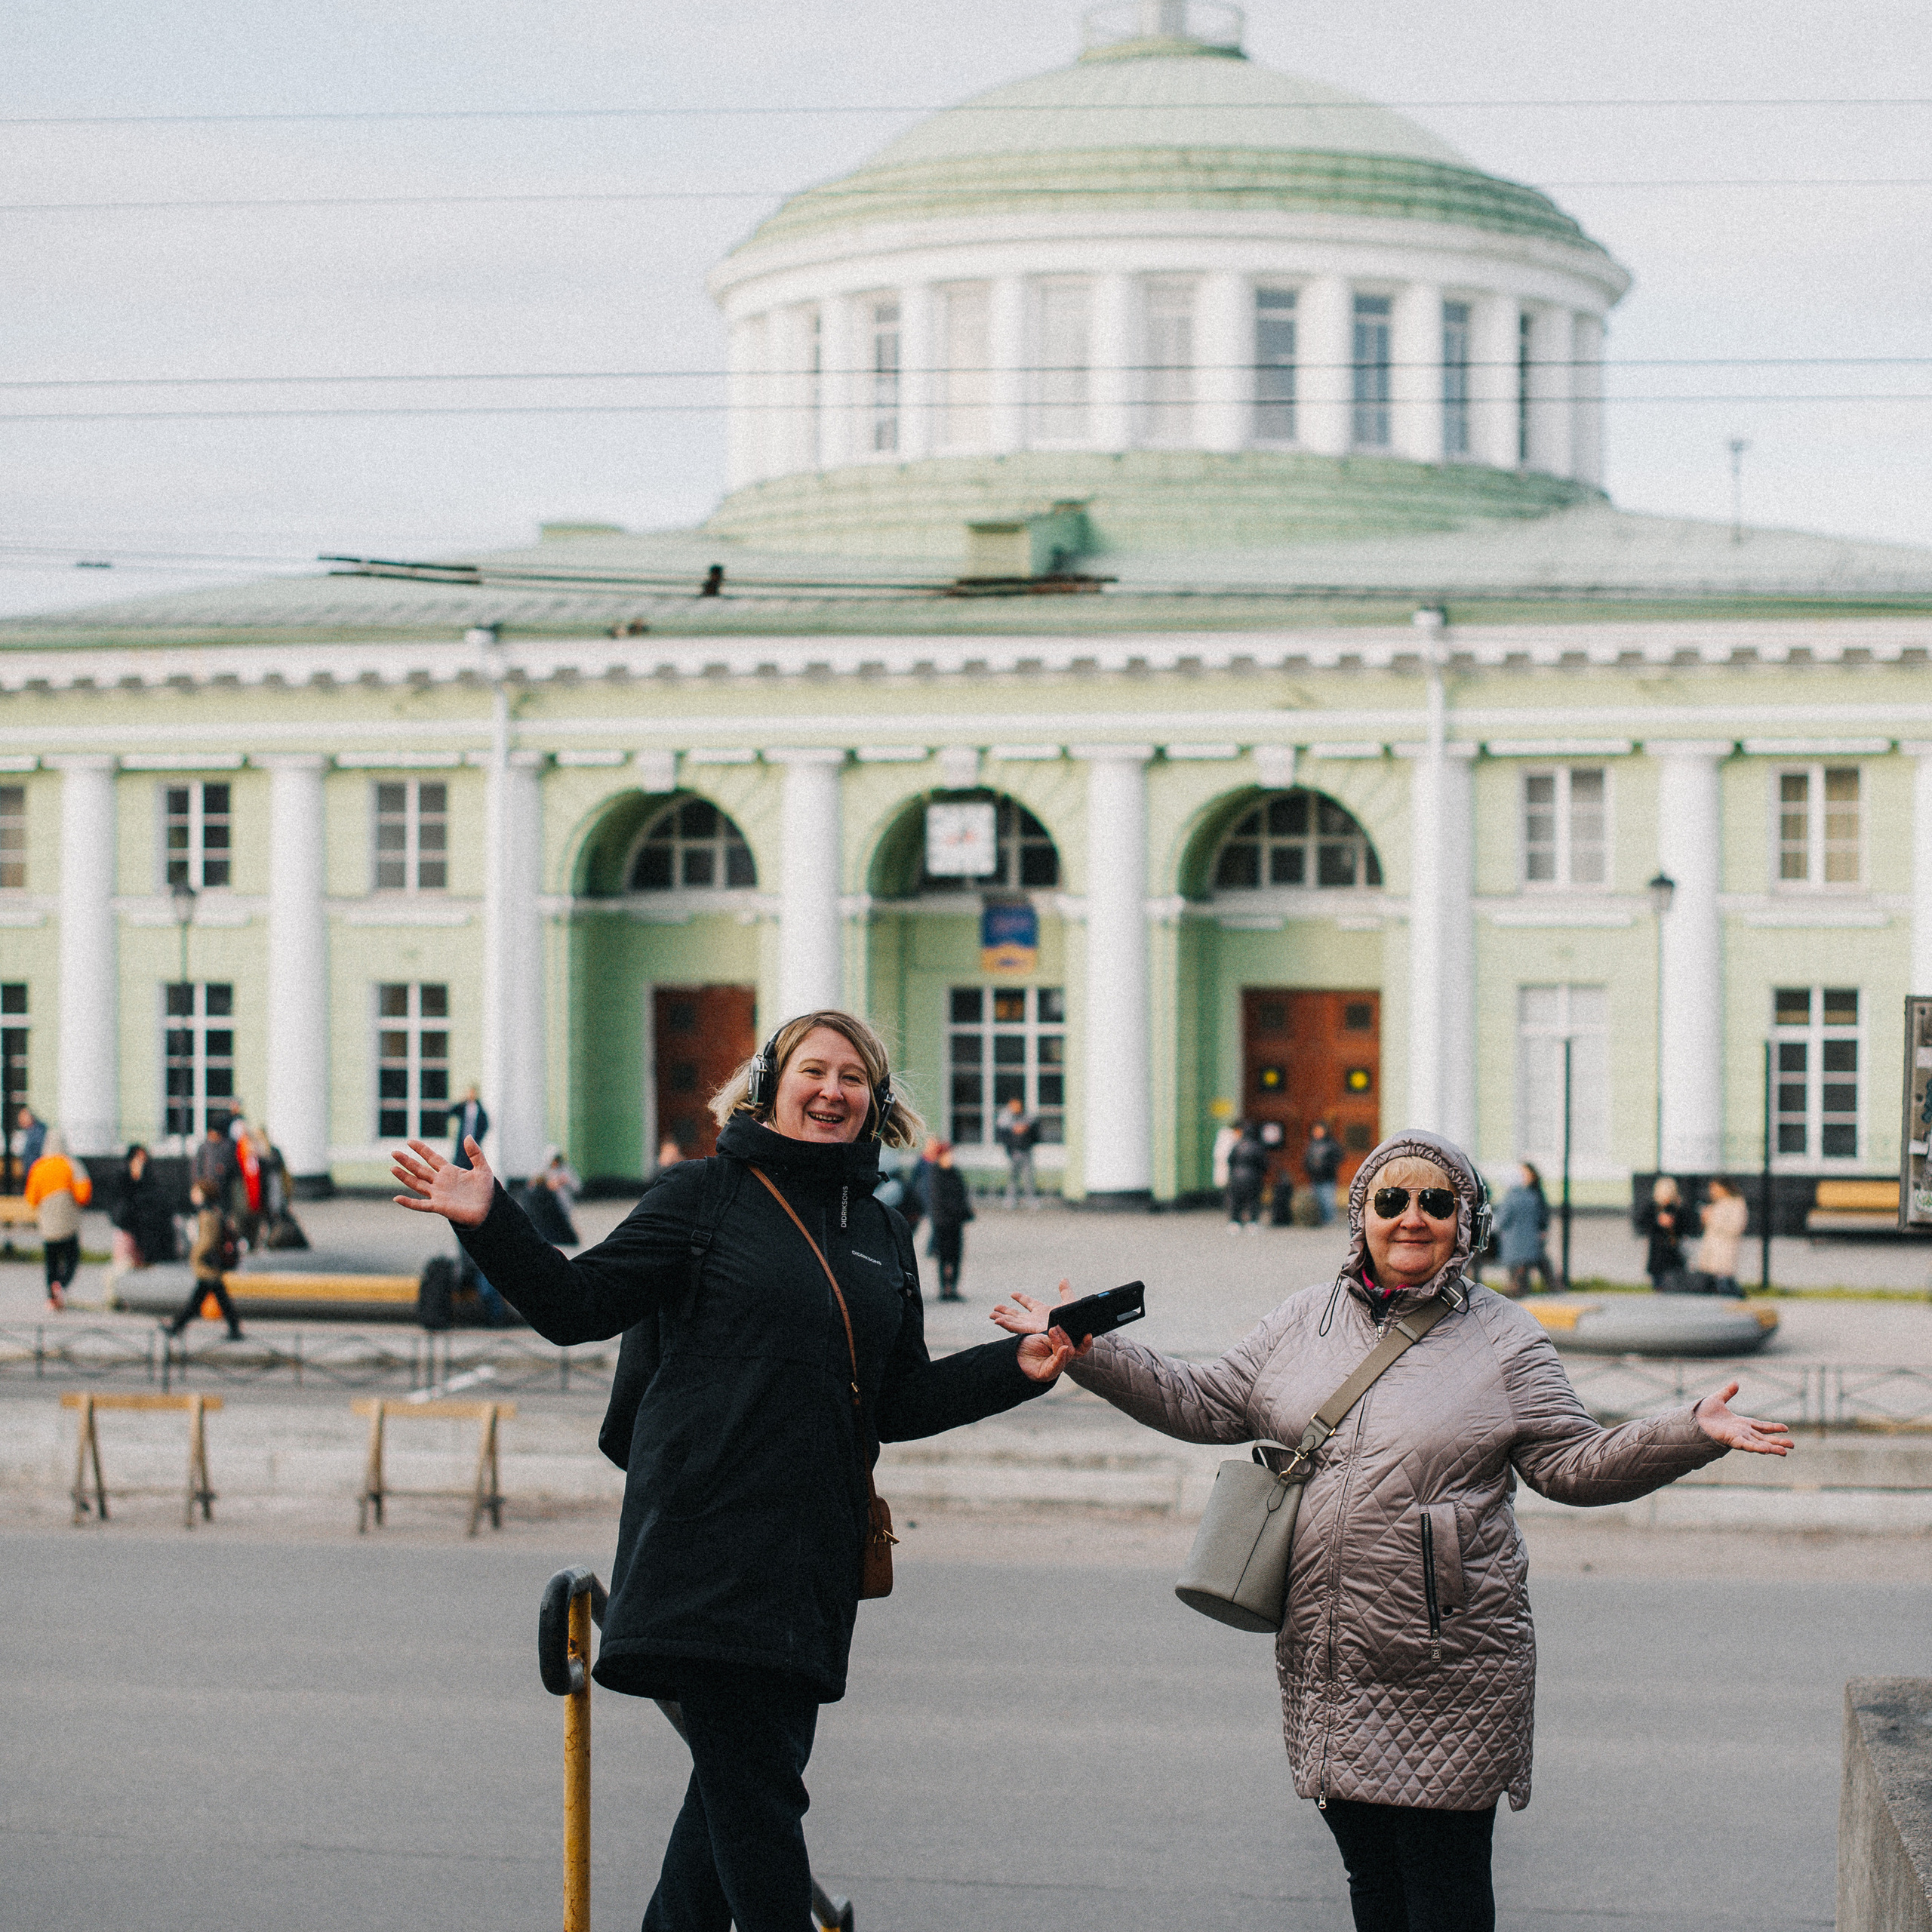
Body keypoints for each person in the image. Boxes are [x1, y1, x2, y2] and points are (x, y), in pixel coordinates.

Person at [991, 1128, 1792, 1932]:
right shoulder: (1303, 1319)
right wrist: (1089, 1352)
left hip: (1451, 1664)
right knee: (1371, 1880)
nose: (1413, 1218)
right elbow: (1204, 1400)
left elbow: (1572, 1464)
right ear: (1361, 1215)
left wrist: (1689, 1430)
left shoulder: (1503, 1337)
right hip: (1331, 1661)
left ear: (1466, 1221)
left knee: (1442, 1894)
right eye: (1392, 1200)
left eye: (1437, 1202)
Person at [390, 1008, 1077, 1932]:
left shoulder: (881, 1230)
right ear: (769, 1084)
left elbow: (897, 1401)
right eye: (813, 1071)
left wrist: (1016, 1369)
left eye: (853, 1078)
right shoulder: (700, 1197)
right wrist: (491, 1221)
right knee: (758, 1802)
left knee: (728, 1803)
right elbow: (575, 1303)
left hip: (810, 1562)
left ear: (875, 1103)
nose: (832, 1090)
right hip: (702, 1549)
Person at [165, 1182, 245, 1340]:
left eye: (196, 1191)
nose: (192, 1195)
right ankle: (177, 1326)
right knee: (211, 1299)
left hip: (208, 1264)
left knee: (201, 1301)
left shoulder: (206, 1214)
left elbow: (207, 1240)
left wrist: (195, 1255)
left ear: (203, 1194)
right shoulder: (214, 1211)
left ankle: (177, 1327)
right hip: (212, 1264)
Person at [25, 1130, 91, 1311]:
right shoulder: (72, 1165)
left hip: (48, 1225)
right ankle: (61, 1285)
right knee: (72, 1258)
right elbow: (83, 1194)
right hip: (69, 1223)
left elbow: (31, 1198)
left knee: (51, 1261)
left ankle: (52, 1297)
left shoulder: (38, 1167)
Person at [111, 1143, 180, 1278]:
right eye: (138, 1159)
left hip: (147, 1230)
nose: (141, 1163)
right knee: (125, 1267)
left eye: (143, 1159)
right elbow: (119, 1205)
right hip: (128, 1228)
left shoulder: (151, 1179)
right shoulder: (122, 1179)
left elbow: (159, 1203)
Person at [925, 1140, 974, 1301]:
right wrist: (954, 1211)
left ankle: (953, 1287)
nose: (951, 1157)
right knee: (944, 1256)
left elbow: (962, 1194)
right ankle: (944, 1288)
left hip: (956, 1223)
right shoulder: (935, 1174)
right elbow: (937, 1200)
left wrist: (966, 1212)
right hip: (943, 1223)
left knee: (956, 1256)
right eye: (948, 1154)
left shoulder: (955, 1172)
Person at [1496, 1161, 1552, 1297]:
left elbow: (1502, 1220)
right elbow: (1540, 1216)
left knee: (1514, 1272)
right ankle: (1528, 1291)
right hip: (1530, 1240)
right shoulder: (1532, 1196)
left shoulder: (1510, 1198)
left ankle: (1516, 1292)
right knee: (1525, 1271)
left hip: (1513, 1242)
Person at [1693, 1177, 1749, 1297]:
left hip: (1724, 1251)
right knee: (1713, 1283)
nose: (1712, 1192)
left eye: (1715, 1188)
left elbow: (1735, 1227)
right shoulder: (1717, 1204)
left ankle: (1738, 1299)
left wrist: (1711, 1219)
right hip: (1711, 1252)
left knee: (1724, 1283)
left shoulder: (1736, 1203)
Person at [1641, 1175, 1690, 1291]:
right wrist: (1658, 1221)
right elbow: (1642, 1223)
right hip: (1658, 1255)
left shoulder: (1678, 1208)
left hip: (1674, 1255)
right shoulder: (1653, 1207)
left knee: (1674, 1288)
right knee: (1659, 1288)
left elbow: (1687, 1228)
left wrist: (1674, 1220)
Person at [995, 1097, 1039, 1207]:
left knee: (1028, 1177)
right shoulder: (1005, 1120)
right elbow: (1001, 1136)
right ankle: (1011, 1200)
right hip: (1013, 1152)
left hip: (1026, 1151)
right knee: (1012, 1177)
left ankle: (1031, 1200)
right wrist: (1012, 1132)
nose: (1015, 1108)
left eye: (1017, 1105)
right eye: (1013, 1106)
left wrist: (1026, 1130)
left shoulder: (1027, 1118)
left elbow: (1036, 1134)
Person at [1226, 1121, 1269, 1233]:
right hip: (1253, 1178)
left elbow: (1230, 1160)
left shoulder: (1237, 1146)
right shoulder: (1257, 1147)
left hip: (1236, 1177)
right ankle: (1252, 1223)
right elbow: (1263, 1163)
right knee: (1253, 1201)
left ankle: (1235, 1222)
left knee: (1236, 1200)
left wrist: (1233, 1173)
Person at [1303, 1121, 1343, 1226]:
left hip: (1327, 1177)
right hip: (1315, 1177)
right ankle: (1319, 1220)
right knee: (1317, 1200)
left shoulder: (1331, 1144)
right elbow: (1306, 1160)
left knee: (1327, 1201)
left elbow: (1338, 1157)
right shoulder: (1312, 1145)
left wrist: (1325, 1165)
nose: (1317, 1133)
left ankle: (1329, 1221)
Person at [450, 1085, 488, 1171]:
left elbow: (485, 1125)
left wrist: (479, 1137)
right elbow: (452, 1112)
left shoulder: (479, 1109)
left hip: (474, 1139)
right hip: (463, 1139)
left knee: (472, 1161)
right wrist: (461, 1101)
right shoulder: (463, 1107)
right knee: (459, 1162)